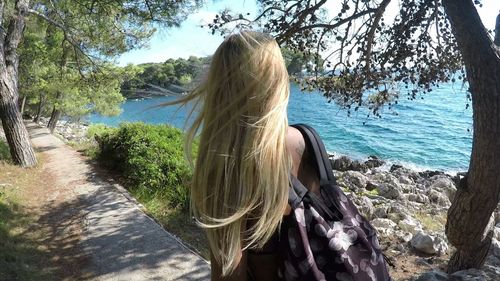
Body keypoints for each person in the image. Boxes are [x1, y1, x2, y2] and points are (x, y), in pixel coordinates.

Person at [169, 31, 316, 280]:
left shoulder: (229, 163)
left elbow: (229, 272)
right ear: (278, 80)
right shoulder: (307, 138)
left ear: (219, 86)